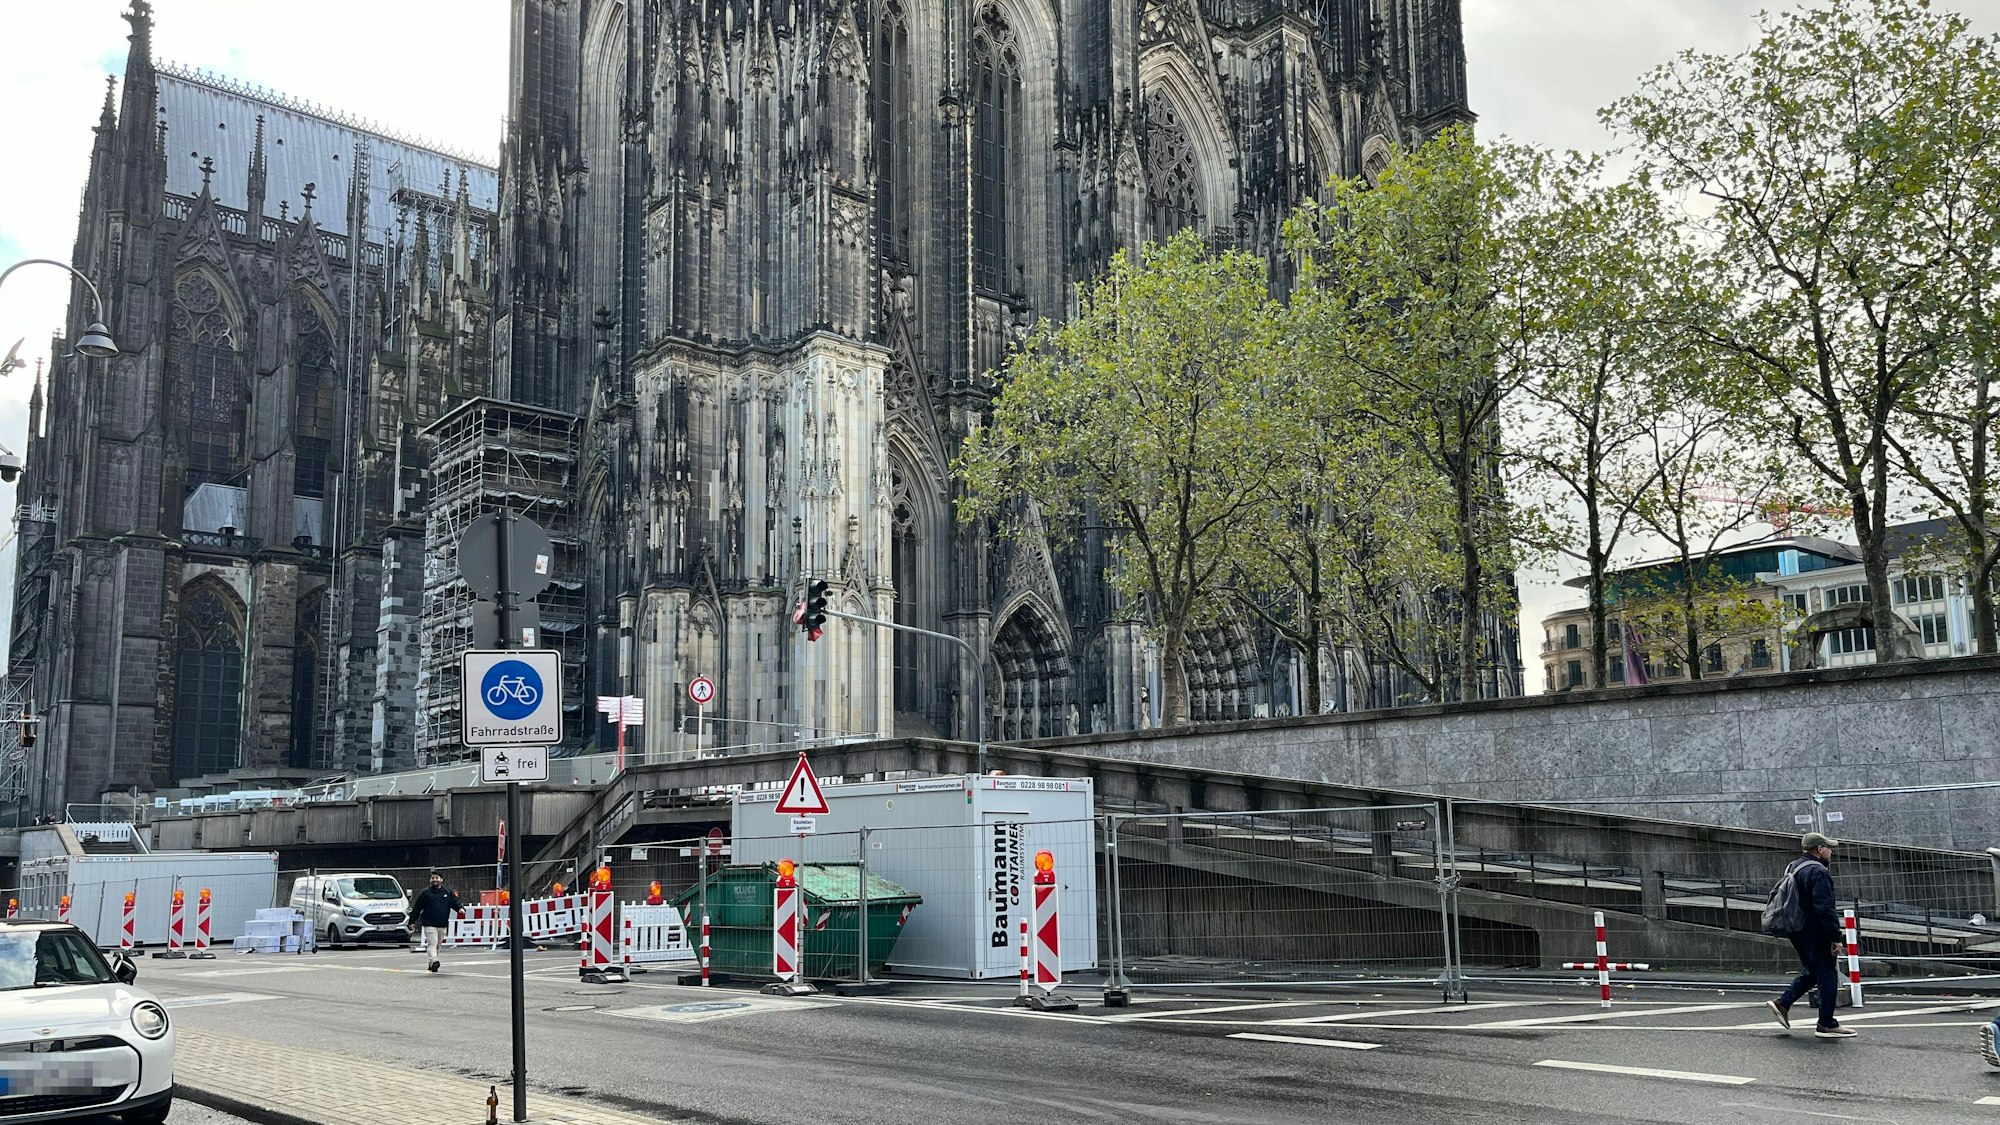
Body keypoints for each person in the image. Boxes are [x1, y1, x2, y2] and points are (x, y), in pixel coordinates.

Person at [1766, 832, 1855, 1038]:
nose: (1831, 851)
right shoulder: (1818, 871)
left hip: (1796, 928)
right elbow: (1824, 908)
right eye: (1828, 847)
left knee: (1812, 971)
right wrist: (1835, 936)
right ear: (1819, 849)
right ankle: (1827, 1023)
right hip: (1815, 930)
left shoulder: (1794, 867)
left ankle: (1783, 1003)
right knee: (1827, 973)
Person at [409, 872, 464, 974]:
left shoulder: (447, 892)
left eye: (436, 878)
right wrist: (412, 920)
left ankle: (432, 963)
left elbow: (455, 901)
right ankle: (434, 960)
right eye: (432, 878)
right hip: (429, 923)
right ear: (430, 880)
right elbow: (417, 907)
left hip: (442, 923)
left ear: (441, 880)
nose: (434, 879)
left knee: (438, 945)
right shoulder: (425, 893)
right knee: (432, 943)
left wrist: (460, 908)